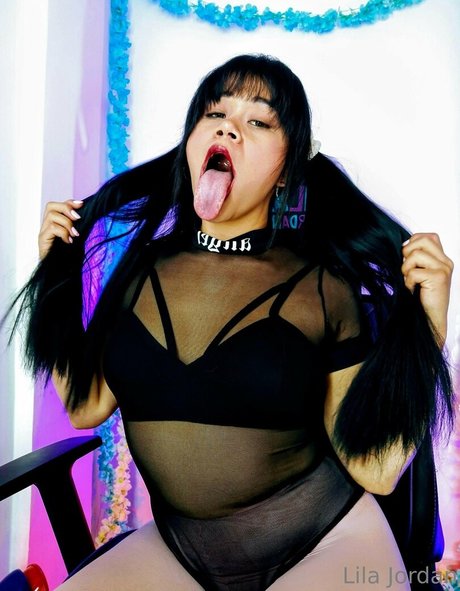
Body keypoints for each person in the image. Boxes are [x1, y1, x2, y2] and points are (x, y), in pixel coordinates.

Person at [6, 54, 454, 590]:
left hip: (326, 542)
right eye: (214, 113)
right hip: (180, 550)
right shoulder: (139, 271)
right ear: (192, 143)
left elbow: (375, 469)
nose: (228, 128)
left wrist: (430, 322)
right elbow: (86, 407)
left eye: (258, 121)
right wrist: (54, 278)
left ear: (288, 168)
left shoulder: (321, 287)